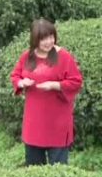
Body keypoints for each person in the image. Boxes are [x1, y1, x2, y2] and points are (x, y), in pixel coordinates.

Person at [10, 18, 83, 166]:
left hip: (58, 122)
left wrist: (55, 85)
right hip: (34, 122)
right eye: (43, 39)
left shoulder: (64, 56)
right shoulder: (27, 56)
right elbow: (15, 75)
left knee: (59, 168)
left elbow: (76, 81)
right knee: (34, 168)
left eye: (51, 37)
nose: (49, 42)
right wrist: (21, 82)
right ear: (35, 40)